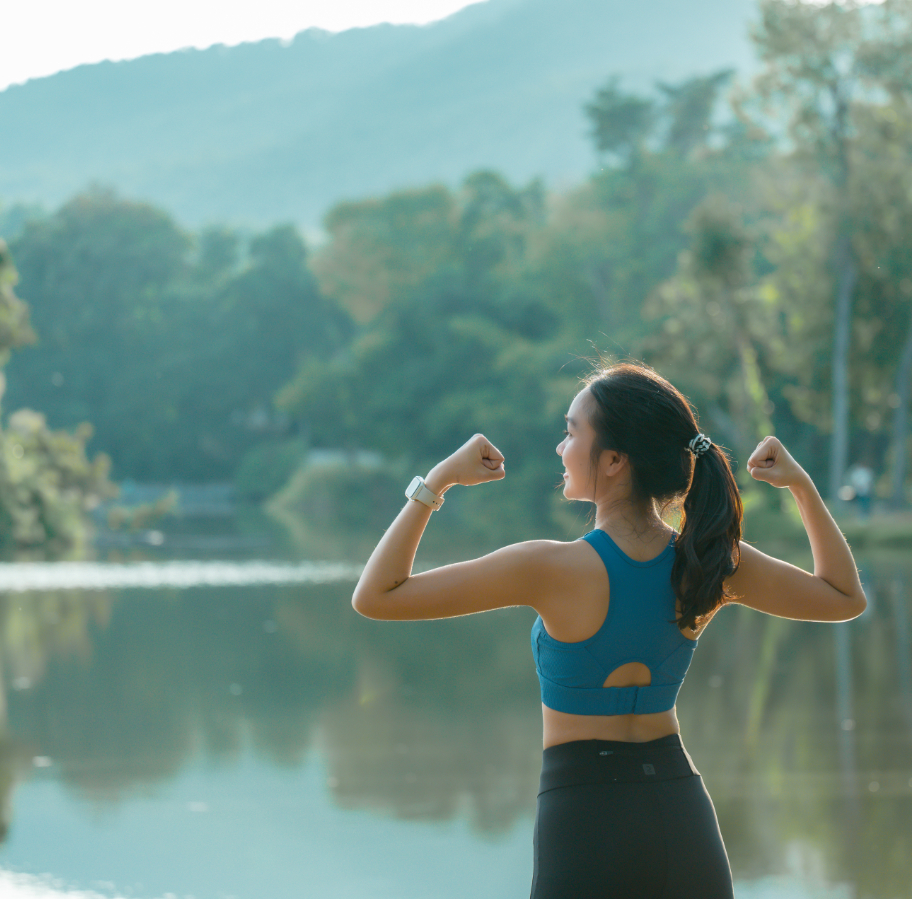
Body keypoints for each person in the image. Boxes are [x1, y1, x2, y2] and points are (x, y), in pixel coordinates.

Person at [352, 362, 866, 899]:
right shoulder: (709, 562)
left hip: (584, 820)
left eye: (572, 432)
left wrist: (438, 480)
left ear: (616, 460)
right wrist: (802, 487)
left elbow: (377, 596)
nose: (560, 447)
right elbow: (844, 598)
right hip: (680, 816)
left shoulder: (546, 568)